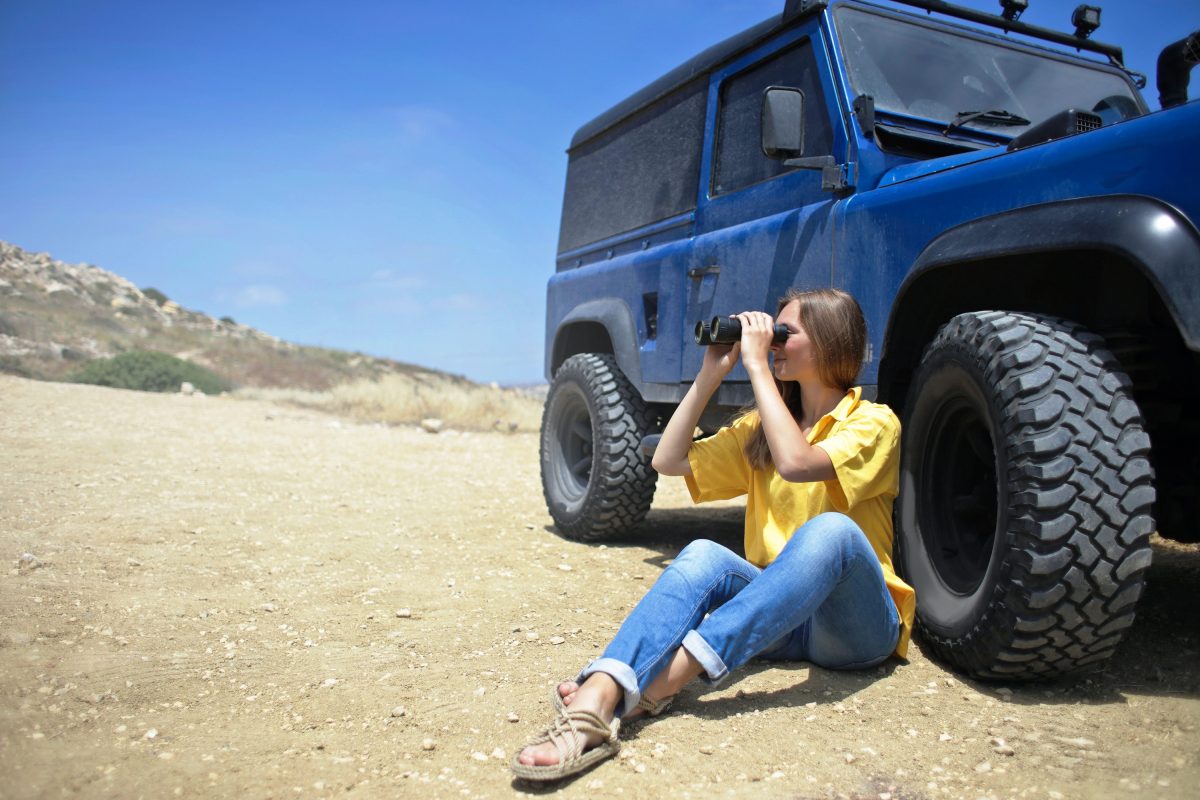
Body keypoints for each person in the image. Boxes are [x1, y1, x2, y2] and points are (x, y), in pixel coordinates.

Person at [511, 288, 917, 782]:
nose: (773, 345)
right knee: (704, 552)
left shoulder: (875, 422)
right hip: (779, 619)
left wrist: (759, 370)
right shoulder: (764, 427)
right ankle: (602, 689)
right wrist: (709, 376)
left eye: (786, 334)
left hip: (853, 629)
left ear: (833, 342)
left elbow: (796, 464)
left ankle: (665, 680)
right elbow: (668, 460)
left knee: (831, 532)